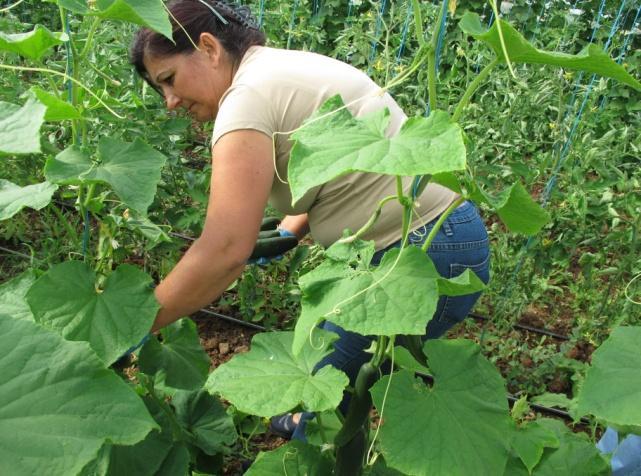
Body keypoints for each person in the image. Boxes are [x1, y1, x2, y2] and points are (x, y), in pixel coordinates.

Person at [130, 0, 490, 439]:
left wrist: (139, 321)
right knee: (346, 386)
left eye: (168, 79)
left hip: (414, 254)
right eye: (158, 90)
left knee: (324, 399)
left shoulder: (245, 99)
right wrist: (289, 228)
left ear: (207, 47)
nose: (168, 101)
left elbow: (225, 248)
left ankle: (321, 448)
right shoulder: (276, 69)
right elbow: (331, 159)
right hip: (445, 237)